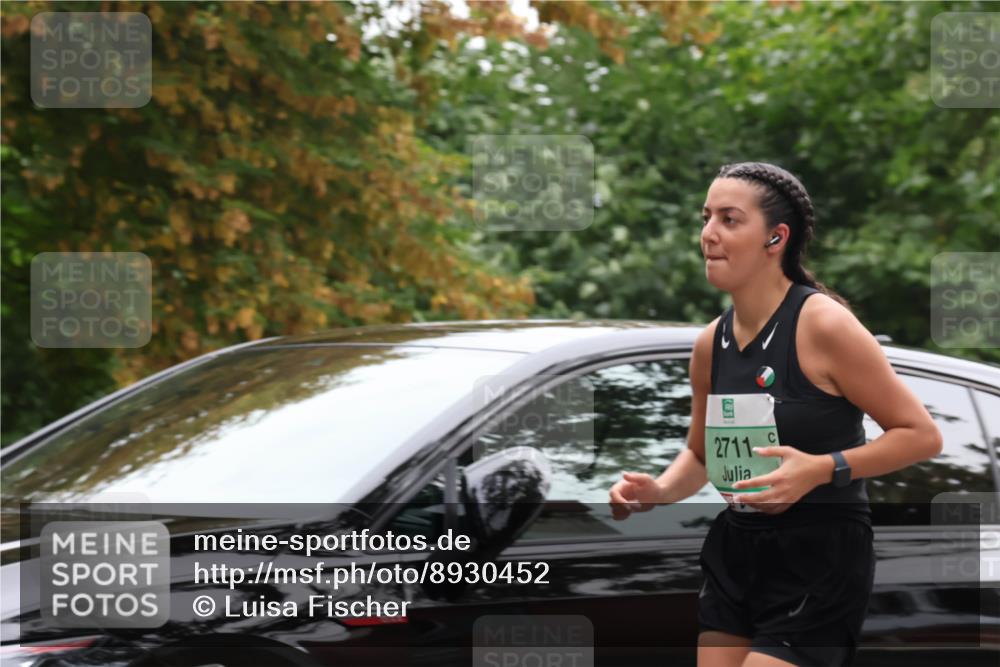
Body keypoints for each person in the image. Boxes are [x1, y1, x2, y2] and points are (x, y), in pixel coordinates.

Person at [608, 161, 943, 667]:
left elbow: (920, 435)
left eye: (729, 219)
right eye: (706, 218)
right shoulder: (709, 344)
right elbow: (700, 453)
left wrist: (820, 468)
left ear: (776, 238)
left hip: (820, 551)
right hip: (738, 547)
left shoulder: (824, 324)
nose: (708, 234)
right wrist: (658, 491)